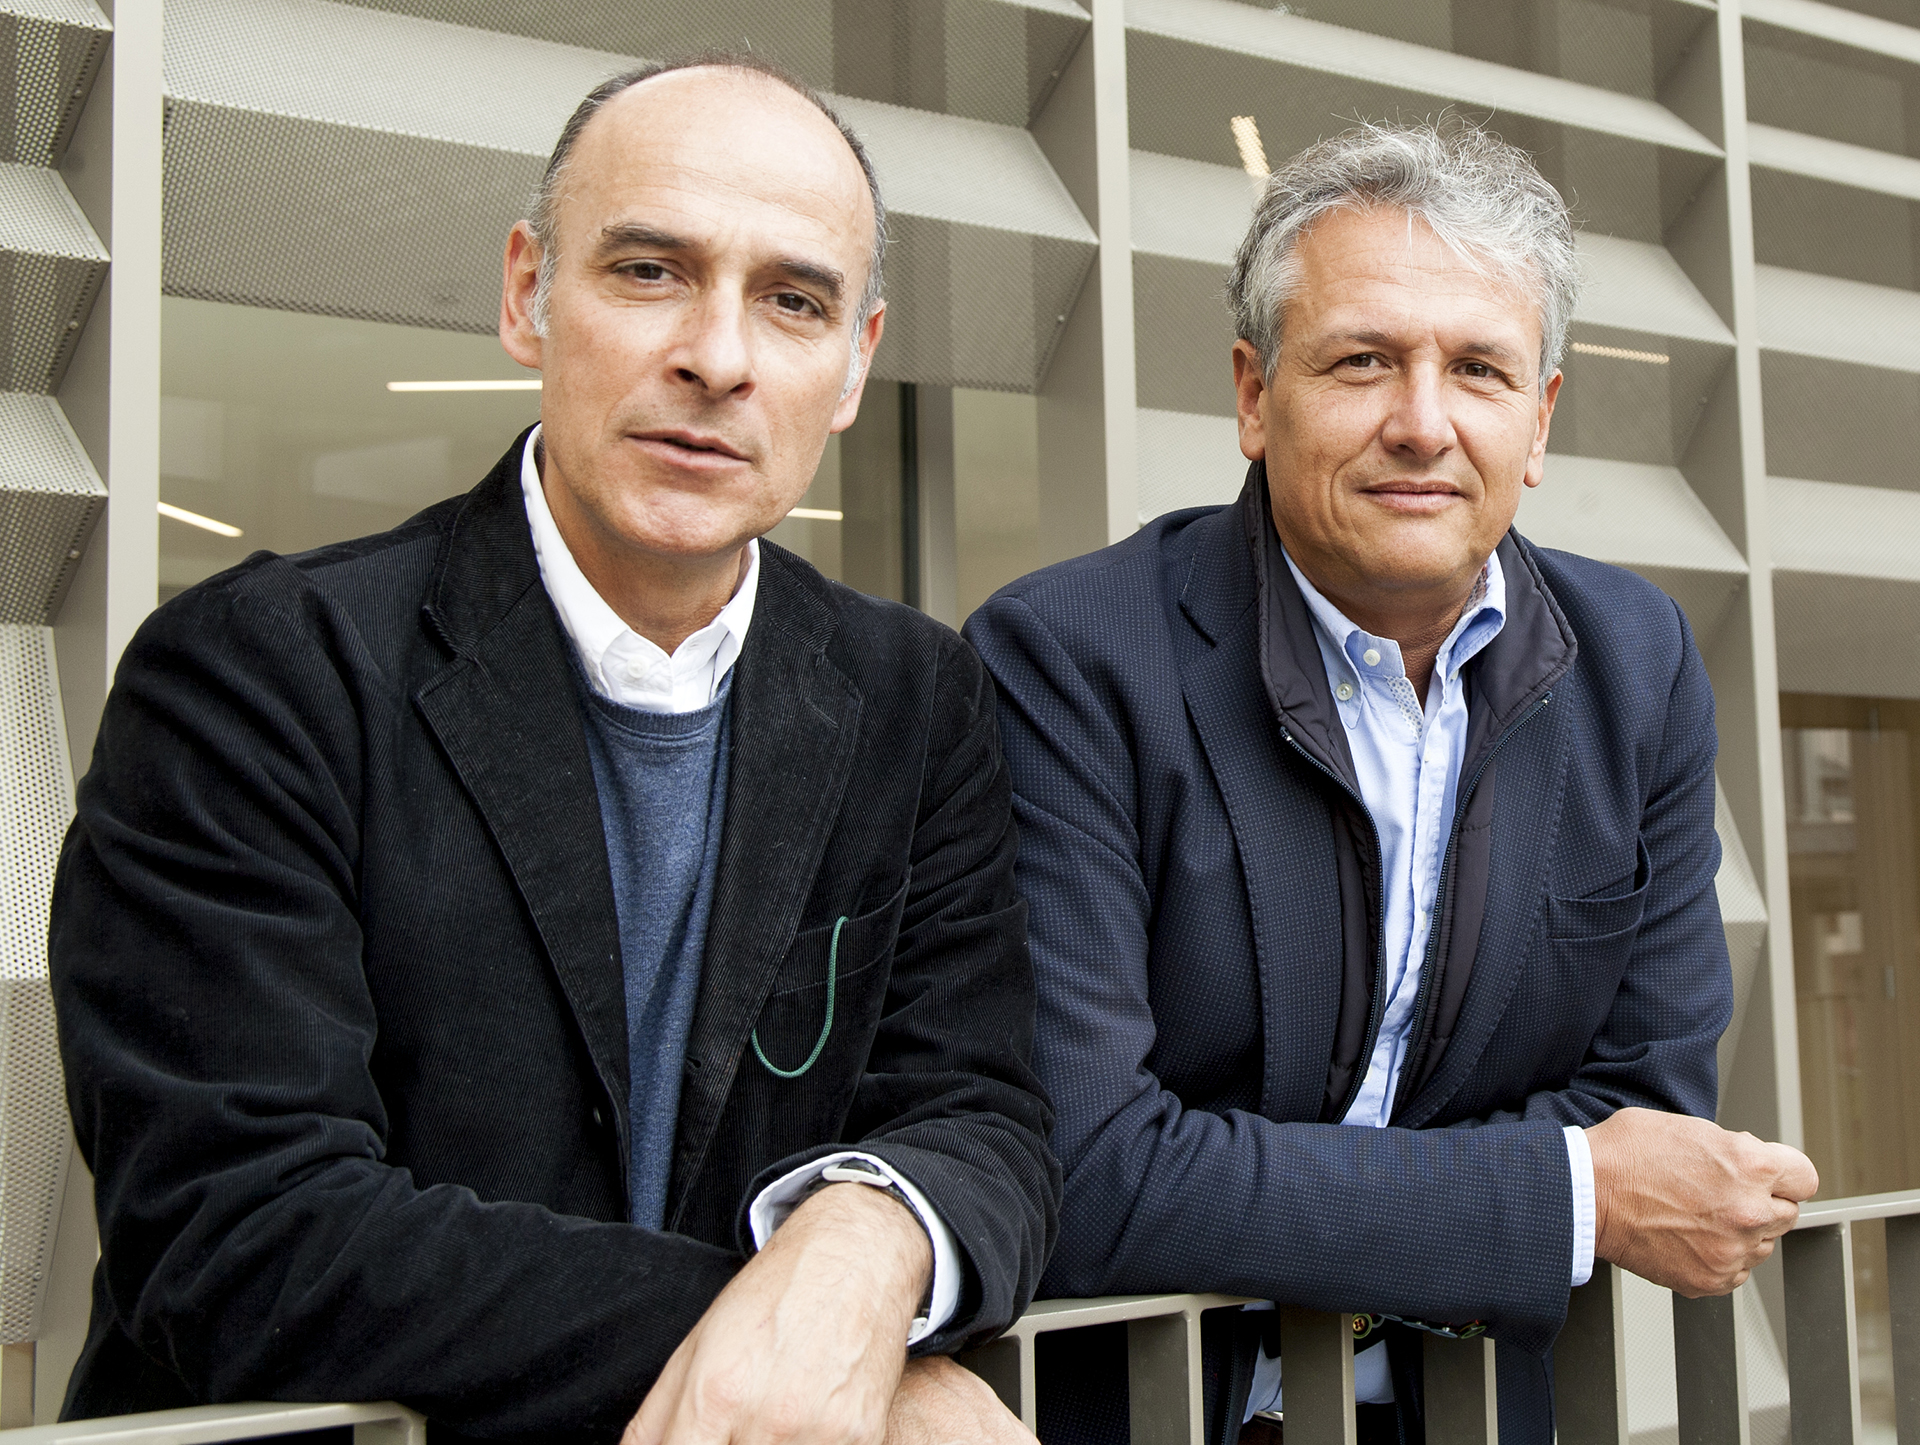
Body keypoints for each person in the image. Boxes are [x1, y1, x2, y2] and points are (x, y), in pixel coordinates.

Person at [51, 57, 1054, 1445]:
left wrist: (871, 1250)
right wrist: (827, 1346)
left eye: (794, 301)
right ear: (527, 293)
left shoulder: (912, 692)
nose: (719, 356)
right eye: (650, 271)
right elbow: (239, 1227)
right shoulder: (257, 669)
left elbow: (981, 1116)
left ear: (854, 365)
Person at [964, 121, 1817, 1445]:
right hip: (1138, 1412)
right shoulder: (1067, 658)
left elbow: (1650, 1100)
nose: (1423, 424)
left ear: (1538, 419)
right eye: (1362, 360)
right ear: (1254, 395)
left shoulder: (1636, 665)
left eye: (1478, 369)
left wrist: (1540, 1175)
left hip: (1466, 1414)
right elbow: (1084, 1165)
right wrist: (1565, 1192)